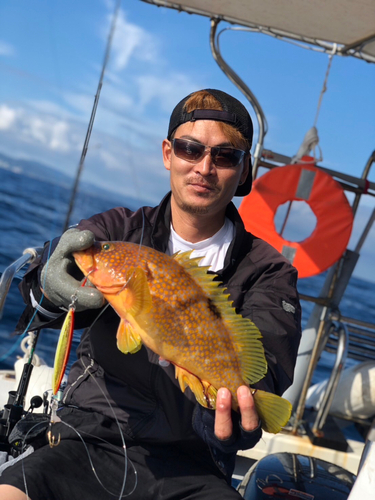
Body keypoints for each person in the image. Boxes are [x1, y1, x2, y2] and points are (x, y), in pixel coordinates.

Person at [0, 89, 301, 500]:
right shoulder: (116, 233)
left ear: (244, 169)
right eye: (189, 149)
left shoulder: (270, 272)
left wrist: (226, 415)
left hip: (195, 464)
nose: (204, 167)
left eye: (225, 156)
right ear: (167, 153)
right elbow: (41, 298)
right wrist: (52, 288)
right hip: (88, 438)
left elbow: (264, 367)